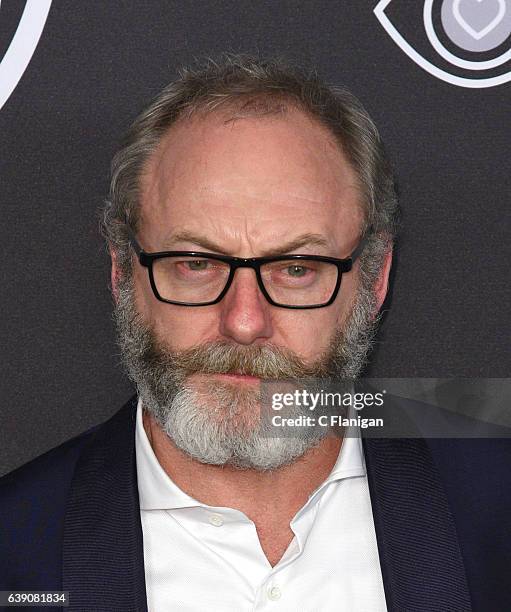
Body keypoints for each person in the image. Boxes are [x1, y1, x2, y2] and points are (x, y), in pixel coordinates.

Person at [1, 54, 509, 612]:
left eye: (296, 269)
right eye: (196, 263)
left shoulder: (493, 501)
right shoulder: (16, 546)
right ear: (123, 269)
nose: (244, 322)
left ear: (375, 277)